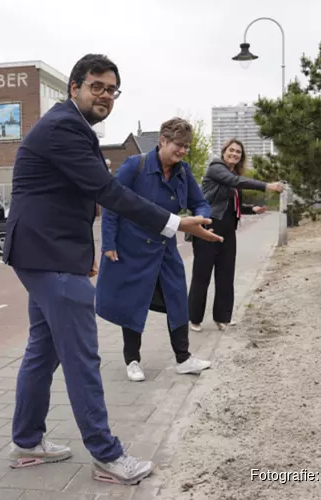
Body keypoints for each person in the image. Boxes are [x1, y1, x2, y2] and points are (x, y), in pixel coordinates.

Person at [1, 53, 222, 486]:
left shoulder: (73, 127)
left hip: (43, 251)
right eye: (96, 86)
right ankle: (107, 456)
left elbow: (75, 198)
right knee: (83, 356)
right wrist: (175, 222)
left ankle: (27, 441)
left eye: (111, 89)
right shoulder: (66, 126)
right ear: (74, 88)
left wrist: (86, 255)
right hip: (47, 255)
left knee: (43, 350)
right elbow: (106, 191)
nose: (104, 95)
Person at [96, 118, 213, 382]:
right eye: (178, 145)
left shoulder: (183, 172)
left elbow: (200, 202)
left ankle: (183, 358)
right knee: (133, 303)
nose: (182, 151)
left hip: (165, 248)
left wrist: (203, 219)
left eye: (186, 146)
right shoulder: (134, 166)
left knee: (177, 299)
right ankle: (132, 360)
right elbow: (112, 202)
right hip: (133, 248)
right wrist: (109, 243)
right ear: (162, 140)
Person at [188, 139, 284, 331]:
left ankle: (222, 317)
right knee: (202, 275)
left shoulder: (232, 175)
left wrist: (250, 209)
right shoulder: (216, 168)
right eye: (231, 150)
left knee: (226, 274)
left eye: (238, 152)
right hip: (208, 227)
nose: (234, 154)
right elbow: (233, 183)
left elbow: (230, 204)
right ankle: (194, 318)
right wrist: (267, 185)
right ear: (224, 152)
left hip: (228, 230)